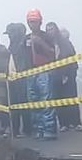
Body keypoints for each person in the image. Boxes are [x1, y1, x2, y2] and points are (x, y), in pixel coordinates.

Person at [25, 9, 58, 140]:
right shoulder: (26, 39)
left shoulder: (47, 37)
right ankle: (39, 128)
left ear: (40, 22)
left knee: (46, 100)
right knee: (33, 100)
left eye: (34, 21)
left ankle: (49, 129)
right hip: (31, 72)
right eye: (30, 22)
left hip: (45, 70)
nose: (32, 24)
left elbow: (53, 52)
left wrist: (40, 43)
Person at [46, 22, 82, 131]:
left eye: (52, 29)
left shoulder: (65, 42)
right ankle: (63, 124)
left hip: (68, 73)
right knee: (58, 100)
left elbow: (71, 58)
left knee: (71, 98)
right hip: (55, 75)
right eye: (48, 30)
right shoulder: (48, 44)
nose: (50, 32)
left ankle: (76, 123)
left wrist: (67, 74)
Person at [5, 22, 32, 137]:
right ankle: (15, 130)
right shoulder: (12, 46)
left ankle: (27, 129)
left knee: (23, 104)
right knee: (15, 105)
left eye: (10, 33)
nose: (9, 36)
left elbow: (26, 60)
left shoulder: (24, 44)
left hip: (22, 77)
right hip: (13, 78)